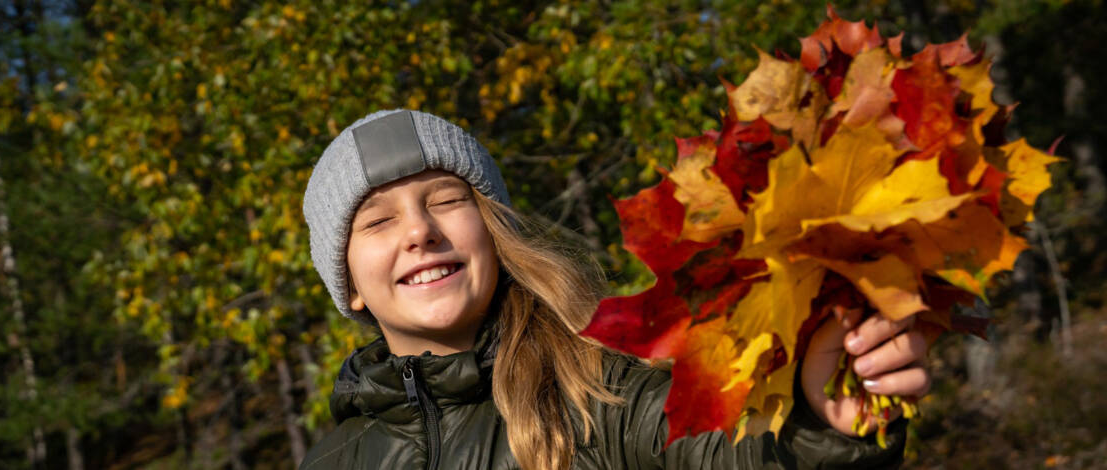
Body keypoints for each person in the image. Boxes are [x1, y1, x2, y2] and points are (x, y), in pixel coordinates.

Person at [299, 109, 930, 470]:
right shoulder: (331, 461)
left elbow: (725, 453)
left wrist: (820, 422)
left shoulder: (600, 391)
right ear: (349, 283)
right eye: (378, 220)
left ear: (494, 232)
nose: (419, 232)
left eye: (446, 200)